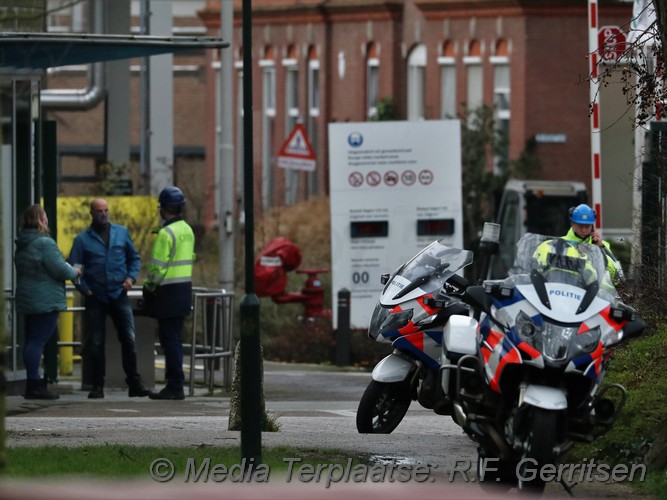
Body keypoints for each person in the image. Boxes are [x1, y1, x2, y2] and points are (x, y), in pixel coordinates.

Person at [68, 198, 152, 399]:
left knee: (129, 339)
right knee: (96, 342)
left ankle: (134, 383)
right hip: (95, 295)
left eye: (106, 210)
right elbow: (73, 268)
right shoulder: (82, 240)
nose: (103, 214)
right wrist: (84, 289)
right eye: (99, 211)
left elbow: (135, 258)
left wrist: (131, 277)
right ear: (91, 213)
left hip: (118, 292)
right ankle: (97, 385)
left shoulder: (121, 233)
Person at [14, 204, 81, 400]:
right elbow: (60, 269)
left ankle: (32, 382)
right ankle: (34, 385)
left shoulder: (23, 242)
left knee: (32, 341)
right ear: (41, 220)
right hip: (44, 299)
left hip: (28, 297)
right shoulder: (44, 242)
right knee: (37, 342)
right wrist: (74, 271)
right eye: (45, 216)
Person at [143, 186, 195, 400]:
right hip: (184, 290)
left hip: (167, 292)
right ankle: (176, 384)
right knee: (176, 339)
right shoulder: (187, 230)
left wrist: (149, 287)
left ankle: (174, 385)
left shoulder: (166, 233)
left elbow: (157, 267)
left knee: (170, 341)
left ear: (163, 209)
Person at [564, 204, 624, 285]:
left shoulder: (603, 246)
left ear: (592, 225)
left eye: (587, 226)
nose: (584, 230)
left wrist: (600, 249)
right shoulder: (561, 243)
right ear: (572, 224)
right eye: (580, 226)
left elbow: (616, 277)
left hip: (596, 293)